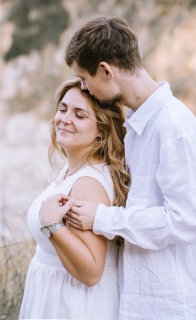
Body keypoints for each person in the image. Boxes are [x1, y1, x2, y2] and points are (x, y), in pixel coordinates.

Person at [42, 16, 196, 319]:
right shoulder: (138, 127)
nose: (85, 88)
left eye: (85, 79)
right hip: (144, 302)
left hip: (179, 306)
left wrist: (103, 218)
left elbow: (188, 220)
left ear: (105, 70)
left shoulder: (173, 126)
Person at [19, 77, 130, 319]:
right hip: (56, 298)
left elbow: (91, 271)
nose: (65, 119)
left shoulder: (88, 184)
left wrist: (52, 226)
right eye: (63, 109)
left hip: (74, 306)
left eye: (80, 115)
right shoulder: (74, 171)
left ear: (101, 129)